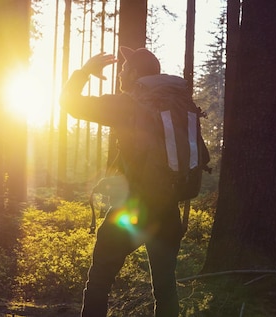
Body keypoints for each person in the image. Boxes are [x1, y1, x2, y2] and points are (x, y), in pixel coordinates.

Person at [60, 47, 187, 317]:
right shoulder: (174, 105)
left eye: (124, 68)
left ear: (134, 73)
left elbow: (70, 103)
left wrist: (84, 72)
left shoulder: (127, 104)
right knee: (165, 288)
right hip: (169, 210)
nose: (120, 73)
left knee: (99, 281)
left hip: (132, 211)